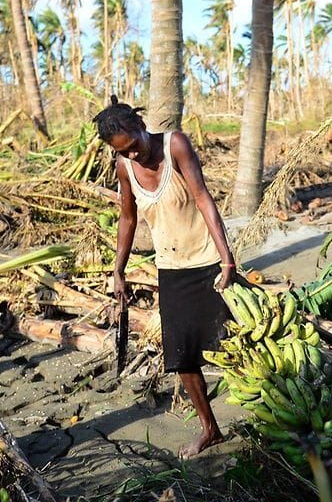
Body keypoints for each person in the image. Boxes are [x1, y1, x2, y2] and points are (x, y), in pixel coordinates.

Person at [93, 96, 235, 459]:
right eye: (124, 152)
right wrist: (118, 271)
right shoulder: (125, 167)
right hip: (171, 269)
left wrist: (226, 259)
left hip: (206, 260)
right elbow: (128, 219)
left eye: (135, 146)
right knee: (183, 358)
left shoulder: (175, 145)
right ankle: (211, 430)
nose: (135, 155)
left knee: (238, 342)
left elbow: (203, 198)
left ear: (140, 127)